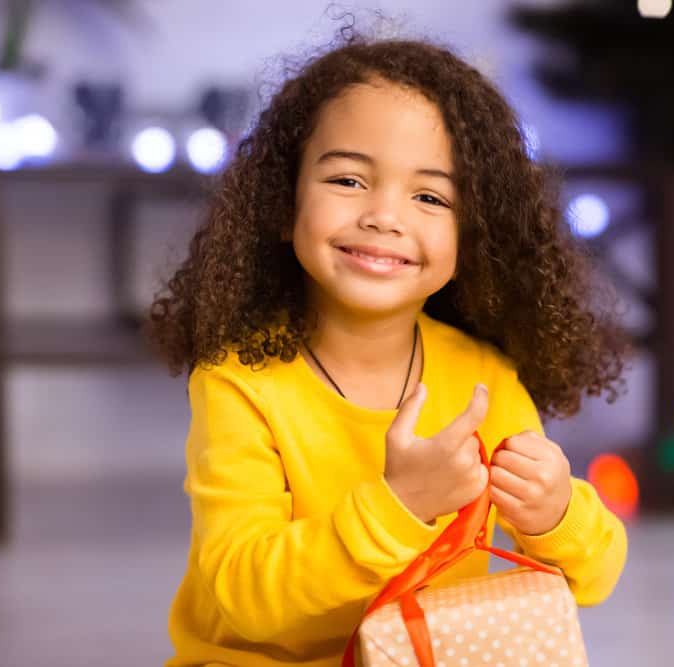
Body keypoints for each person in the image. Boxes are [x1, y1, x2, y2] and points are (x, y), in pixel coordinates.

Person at [148, 26, 631, 667]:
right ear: (282, 199)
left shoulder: (484, 378)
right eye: (348, 180)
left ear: (474, 235)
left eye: (430, 196)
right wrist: (399, 507)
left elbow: (596, 577)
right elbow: (245, 596)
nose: (384, 215)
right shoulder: (242, 381)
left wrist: (558, 513)